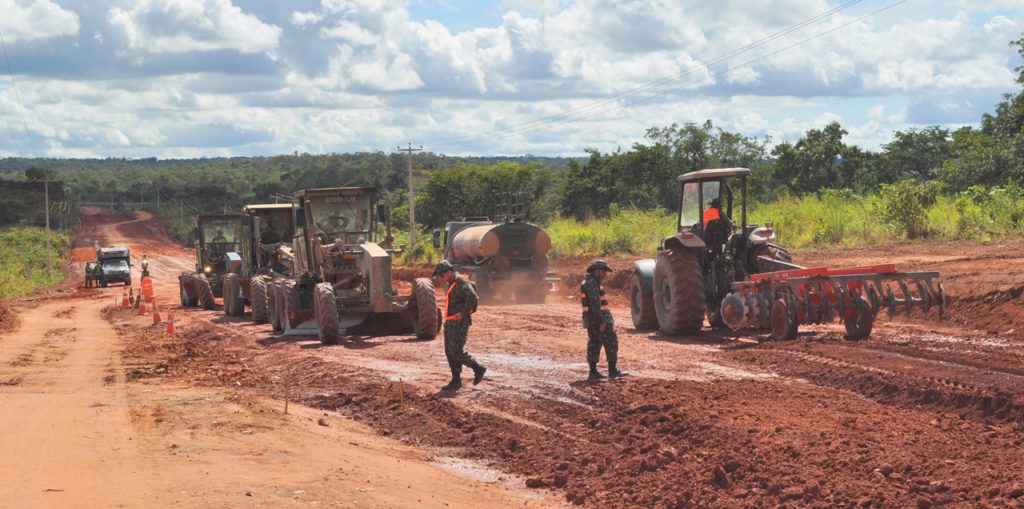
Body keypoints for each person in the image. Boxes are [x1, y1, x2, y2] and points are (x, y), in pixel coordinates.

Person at [433, 260, 486, 391]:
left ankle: (478, 368)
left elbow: (473, 297)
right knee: (449, 352)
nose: (441, 278)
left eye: (441, 275)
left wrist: (463, 313)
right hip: (451, 322)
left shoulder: (461, 282)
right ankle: (456, 380)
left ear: (449, 272)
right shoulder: (452, 283)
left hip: (460, 323)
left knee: (456, 351)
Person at [581, 260, 627, 381]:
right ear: (598, 271)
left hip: (591, 320)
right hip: (598, 320)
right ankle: (612, 371)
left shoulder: (589, 282)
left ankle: (593, 372)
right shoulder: (592, 283)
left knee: (594, 343)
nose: (605, 275)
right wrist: (601, 321)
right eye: (604, 272)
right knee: (611, 342)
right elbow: (596, 304)